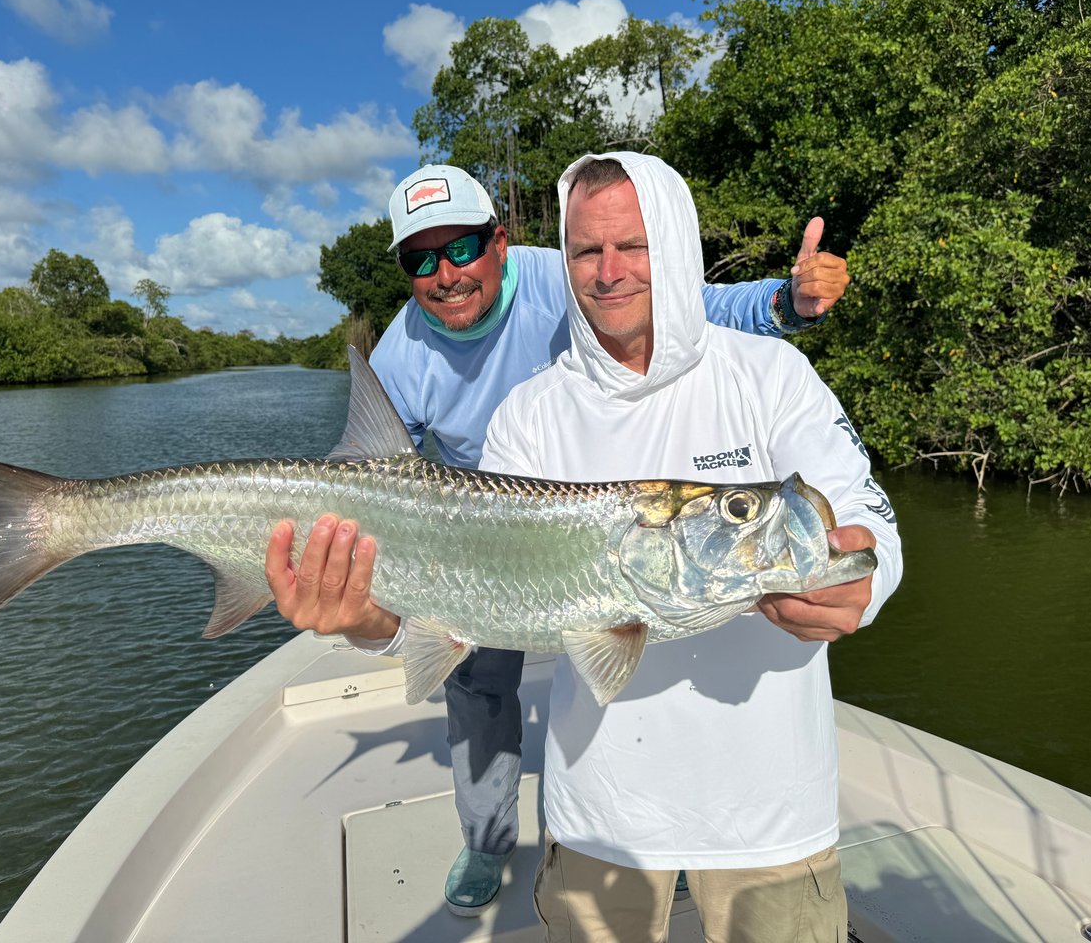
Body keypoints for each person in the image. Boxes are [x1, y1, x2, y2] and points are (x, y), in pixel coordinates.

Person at [264, 162, 852, 917]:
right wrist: (383, 606)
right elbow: (375, 474)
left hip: (585, 499)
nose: (445, 274)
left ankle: (672, 834)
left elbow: (686, 302)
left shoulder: (570, 271)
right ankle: (485, 837)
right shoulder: (401, 357)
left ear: (500, 242)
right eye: (419, 259)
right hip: (475, 510)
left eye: (462, 248)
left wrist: (786, 304)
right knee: (472, 679)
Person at [475, 151, 902, 941]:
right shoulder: (527, 415)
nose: (608, 273)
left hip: (772, 817)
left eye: (632, 246)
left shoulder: (772, 374)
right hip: (598, 817)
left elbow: (865, 527)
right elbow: (499, 608)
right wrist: (378, 618)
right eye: (585, 251)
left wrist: (861, 584)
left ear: (675, 246)